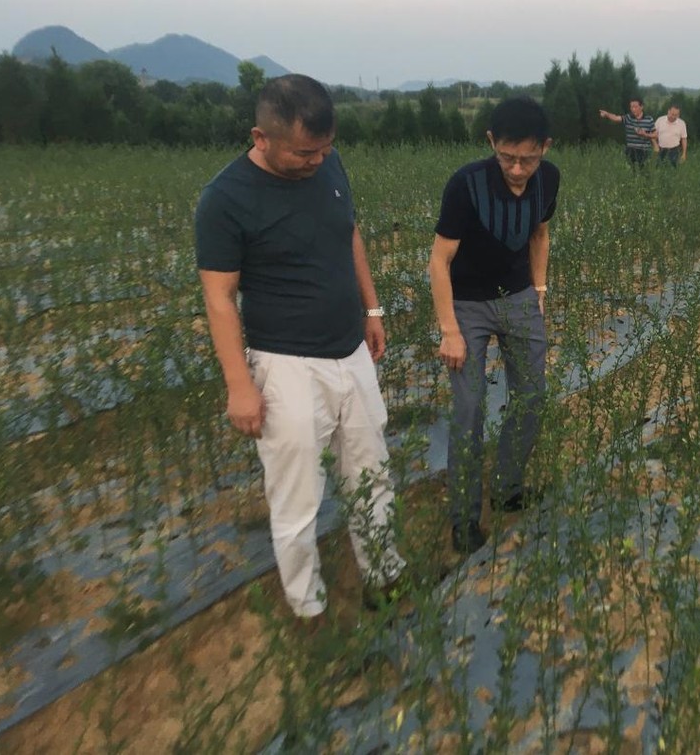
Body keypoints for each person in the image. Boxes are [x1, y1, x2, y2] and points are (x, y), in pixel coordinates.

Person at [195, 74, 405, 623]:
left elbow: (348, 233)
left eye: (325, 148)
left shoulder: (329, 164)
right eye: (304, 152)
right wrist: (239, 385)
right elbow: (219, 298)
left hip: (350, 351)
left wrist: (372, 308)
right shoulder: (225, 199)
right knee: (296, 497)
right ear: (260, 138)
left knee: (372, 473)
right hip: (286, 364)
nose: (317, 160)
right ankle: (308, 608)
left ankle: (384, 577)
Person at [429, 97, 560, 555]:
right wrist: (449, 329)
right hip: (467, 306)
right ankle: (464, 520)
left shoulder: (550, 179)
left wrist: (539, 291)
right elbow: (439, 260)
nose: (518, 169)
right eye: (507, 157)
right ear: (491, 143)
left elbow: (540, 234)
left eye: (528, 158)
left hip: (520, 298)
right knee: (469, 411)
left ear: (545, 147)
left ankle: (507, 488)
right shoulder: (466, 185)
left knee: (532, 395)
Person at [597, 97, 655, 169]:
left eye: (635, 107)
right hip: (630, 150)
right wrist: (607, 114)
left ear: (641, 107)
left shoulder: (649, 119)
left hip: (644, 151)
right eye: (631, 107)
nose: (633, 109)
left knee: (643, 172)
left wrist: (645, 134)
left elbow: (655, 135)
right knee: (631, 173)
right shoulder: (628, 118)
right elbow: (616, 118)